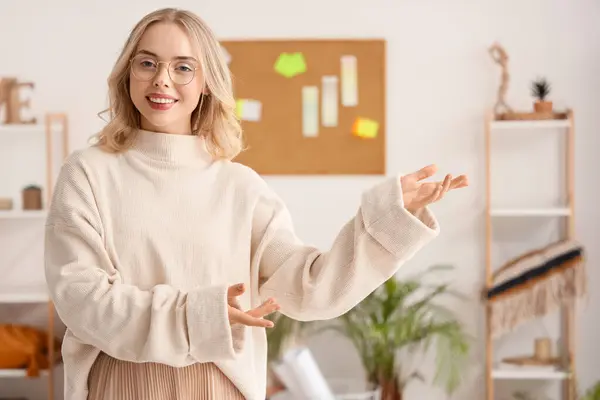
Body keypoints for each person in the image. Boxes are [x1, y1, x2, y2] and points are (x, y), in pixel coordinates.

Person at [43, 7, 468, 400]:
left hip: (221, 386)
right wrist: (198, 317)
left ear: (206, 82)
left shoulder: (240, 187)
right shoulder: (88, 173)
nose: (162, 80)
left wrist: (389, 219)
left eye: (183, 67)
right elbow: (82, 300)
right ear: (127, 73)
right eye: (147, 62)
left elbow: (310, 288)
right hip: (120, 384)